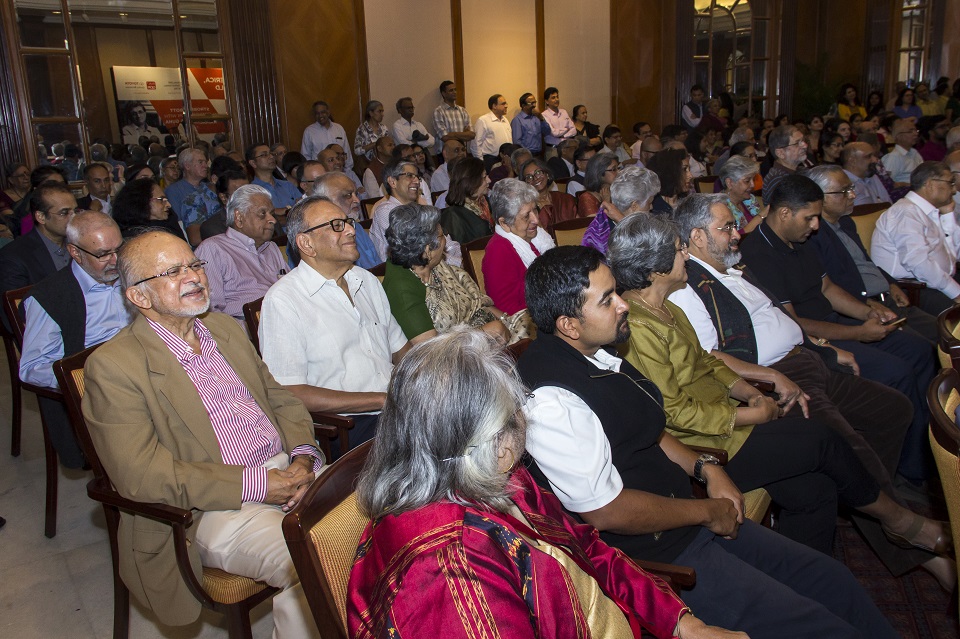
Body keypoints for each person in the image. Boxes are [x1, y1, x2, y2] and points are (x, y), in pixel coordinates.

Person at [518, 245, 902, 637]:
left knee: (833, 581)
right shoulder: (551, 401)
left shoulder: (595, 352)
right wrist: (705, 511)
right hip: (659, 557)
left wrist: (706, 467)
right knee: (821, 627)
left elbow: (646, 431)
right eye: (607, 300)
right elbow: (607, 512)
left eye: (616, 291)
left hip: (686, 519)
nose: (623, 304)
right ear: (569, 325)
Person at [348, 328, 744, 639]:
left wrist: (681, 623)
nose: (526, 420)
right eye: (518, 411)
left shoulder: (500, 480)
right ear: (498, 445)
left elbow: (586, 548)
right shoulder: (449, 570)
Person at [607, 213, 950, 567]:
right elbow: (673, 413)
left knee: (816, 491)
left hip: (726, 421)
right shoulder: (639, 326)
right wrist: (749, 414)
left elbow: (706, 363)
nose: (686, 255)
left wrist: (748, 391)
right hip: (708, 442)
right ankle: (899, 521)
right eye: (680, 249)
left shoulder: (667, 308)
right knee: (822, 438)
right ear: (656, 267)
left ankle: (810, 578)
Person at [82, 230, 323, 637]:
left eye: (194, 264)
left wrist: (302, 459)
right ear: (139, 296)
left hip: (289, 473)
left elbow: (279, 398)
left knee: (385, 526)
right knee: (318, 562)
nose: (193, 276)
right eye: (173, 272)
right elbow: (142, 475)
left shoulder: (223, 329)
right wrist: (259, 484)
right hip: (209, 508)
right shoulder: (113, 367)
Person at [739, 175, 938, 488]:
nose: (816, 225)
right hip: (813, 338)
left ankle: (923, 455)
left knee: (921, 351)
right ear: (785, 213)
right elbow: (794, 322)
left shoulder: (800, 240)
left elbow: (827, 288)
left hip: (837, 322)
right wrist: (859, 333)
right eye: (810, 218)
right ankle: (894, 475)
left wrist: (868, 312)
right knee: (896, 372)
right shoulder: (757, 253)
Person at [259, 196, 410, 450]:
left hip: (396, 407)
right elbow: (288, 391)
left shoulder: (365, 280)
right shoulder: (284, 300)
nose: (351, 230)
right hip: (347, 426)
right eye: (336, 225)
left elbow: (400, 349)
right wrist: (380, 400)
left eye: (348, 222)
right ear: (306, 243)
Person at [20, 211, 132, 468]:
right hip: (102, 389)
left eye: (119, 249)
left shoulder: (131, 274)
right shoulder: (51, 297)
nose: (116, 260)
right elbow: (31, 368)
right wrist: (88, 379)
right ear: (75, 252)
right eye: (103, 254)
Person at [804, 164, 936, 341]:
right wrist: (867, 304)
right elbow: (831, 282)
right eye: (843, 191)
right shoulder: (812, 234)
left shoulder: (846, 223)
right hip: (865, 309)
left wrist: (891, 284)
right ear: (819, 197)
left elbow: (866, 262)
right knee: (925, 347)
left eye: (851, 188)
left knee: (946, 332)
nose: (852, 195)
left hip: (888, 299)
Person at [383, 203, 520, 343]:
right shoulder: (402, 289)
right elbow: (431, 350)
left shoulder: (435, 267)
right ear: (428, 250)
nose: (445, 241)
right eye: (442, 235)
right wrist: (487, 332)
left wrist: (509, 321)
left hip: (485, 333)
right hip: (460, 352)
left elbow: (477, 303)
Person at [871, 161, 960, 316]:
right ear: (930, 184)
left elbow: (954, 256)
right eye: (950, 183)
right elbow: (919, 263)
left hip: (939, 281)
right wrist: (956, 293)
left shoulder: (927, 211)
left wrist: (947, 216)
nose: (954, 190)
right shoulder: (906, 213)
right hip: (914, 289)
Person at [193, 184, 286, 324]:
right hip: (247, 327)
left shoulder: (271, 247)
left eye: (272, 213)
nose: (272, 220)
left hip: (285, 318)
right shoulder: (213, 249)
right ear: (239, 217)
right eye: (263, 213)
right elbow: (210, 312)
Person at [482, 178, 555, 316]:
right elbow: (507, 310)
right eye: (527, 216)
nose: (536, 220)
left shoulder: (535, 237)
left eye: (535, 210)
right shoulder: (498, 251)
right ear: (504, 223)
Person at [582, 165, 659, 255]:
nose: (651, 207)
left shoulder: (642, 224)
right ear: (634, 206)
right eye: (649, 203)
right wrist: (623, 221)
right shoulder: (604, 234)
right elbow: (646, 255)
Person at [310, 171, 381, 269]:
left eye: (356, 194)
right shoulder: (317, 237)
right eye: (348, 195)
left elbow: (378, 265)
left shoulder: (356, 227)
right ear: (326, 200)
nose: (357, 200)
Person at [439, 156, 493, 245]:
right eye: (484, 177)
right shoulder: (452, 215)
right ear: (471, 182)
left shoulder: (484, 202)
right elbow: (456, 250)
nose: (489, 180)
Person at [113, 178, 186, 241]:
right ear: (142, 202)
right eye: (161, 200)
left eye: (166, 199)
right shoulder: (134, 237)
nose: (168, 205)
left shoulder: (171, 221)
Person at [520, 157, 577, 234]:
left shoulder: (565, 199)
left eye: (538, 172)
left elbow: (581, 227)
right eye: (529, 177)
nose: (535, 178)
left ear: (547, 174)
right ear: (525, 184)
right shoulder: (527, 208)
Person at [300, 100, 352, 171]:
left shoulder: (339, 128)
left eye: (323, 112)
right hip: (320, 172)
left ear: (328, 112)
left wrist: (348, 170)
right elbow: (305, 156)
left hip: (339, 170)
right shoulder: (309, 131)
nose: (320, 115)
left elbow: (346, 150)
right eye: (317, 113)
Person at [761, 125, 808, 203]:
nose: (805, 145)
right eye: (797, 143)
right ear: (780, 153)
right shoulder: (777, 180)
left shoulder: (801, 171)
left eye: (803, 140)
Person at [719, 155, 764, 233]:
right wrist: (761, 216)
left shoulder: (750, 199)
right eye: (747, 181)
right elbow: (732, 237)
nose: (753, 185)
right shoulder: (721, 208)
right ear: (729, 183)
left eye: (753, 179)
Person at [841, 141, 892, 206]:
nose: (875, 160)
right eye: (868, 156)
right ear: (852, 161)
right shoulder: (842, 184)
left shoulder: (872, 176)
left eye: (874, 155)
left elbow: (888, 203)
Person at [431, 81, 474, 156]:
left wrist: (452, 134)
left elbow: (471, 135)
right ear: (444, 94)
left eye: (455, 90)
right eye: (451, 90)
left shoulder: (462, 111)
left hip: (461, 152)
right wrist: (463, 134)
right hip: (445, 154)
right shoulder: (438, 111)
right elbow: (444, 137)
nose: (454, 92)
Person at [647, 148, 692, 213]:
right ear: (670, 173)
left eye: (689, 169)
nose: (690, 175)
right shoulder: (653, 207)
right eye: (684, 169)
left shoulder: (687, 203)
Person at [473, 94, 512, 170]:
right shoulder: (483, 120)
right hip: (490, 160)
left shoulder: (505, 120)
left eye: (506, 103)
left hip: (506, 160)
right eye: (503, 104)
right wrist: (481, 163)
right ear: (494, 106)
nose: (506, 106)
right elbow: (476, 144)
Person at [577, 151, 620, 217]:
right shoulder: (587, 198)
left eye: (618, 168)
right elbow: (596, 222)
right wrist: (606, 203)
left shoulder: (616, 192)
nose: (619, 172)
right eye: (614, 169)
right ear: (599, 173)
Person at [882, 119, 923, 185]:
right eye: (910, 131)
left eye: (916, 130)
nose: (916, 134)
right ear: (898, 136)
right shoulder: (894, 157)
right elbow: (886, 184)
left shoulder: (914, 152)